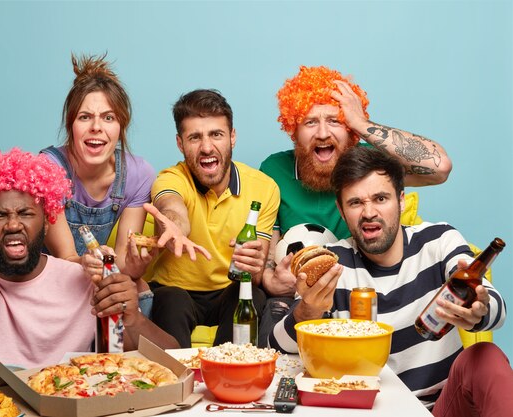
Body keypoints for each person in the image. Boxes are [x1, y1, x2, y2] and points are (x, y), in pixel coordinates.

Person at [0, 149, 178, 417]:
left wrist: (132, 319)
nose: (13, 224)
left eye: (26, 213)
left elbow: (167, 368)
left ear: (48, 219)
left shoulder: (85, 281)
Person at [269, 146, 511, 415]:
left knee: (485, 358)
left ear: (401, 200)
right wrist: (308, 311)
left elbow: (492, 304)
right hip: (367, 410)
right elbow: (278, 347)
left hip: (440, 408)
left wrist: (478, 309)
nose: (369, 212)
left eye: (380, 198)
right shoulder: (332, 263)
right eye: (355, 202)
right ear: (341, 209)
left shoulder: (439, 240)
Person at [258, 66, 453, 344]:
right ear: (294, 130)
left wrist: (361, 123)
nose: (323, 133)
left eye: (335, 121)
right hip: (302, 298)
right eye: (310, 122)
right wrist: (269, 280)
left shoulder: (372, 163)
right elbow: (265, 251)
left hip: (364, 290)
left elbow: (440, 167)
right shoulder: (275, 169)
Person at [143, 89, 280, 348]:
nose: (206, 147)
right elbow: (171, 204)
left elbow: (257, 265)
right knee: (171, 299)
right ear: (180, 143)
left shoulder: (265, 188)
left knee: (251, 293)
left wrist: (253, 262)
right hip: (175, 291)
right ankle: (176, 378)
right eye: (194, 137)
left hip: (228, 291)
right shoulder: (171, 177)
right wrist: (174, 225)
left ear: (232, 137)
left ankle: (230, 369)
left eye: (216, 134)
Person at [41, 54, 156, 317]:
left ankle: (125, 359)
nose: (96, 127)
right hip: (53, 275)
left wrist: (135, 266)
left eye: (108, 117)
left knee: (138, 287)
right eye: (84, 117)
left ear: (121, 125)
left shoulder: (138, 174)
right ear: (71, 124)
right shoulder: (49, 168)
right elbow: (66, 257)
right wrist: (87, 262)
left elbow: (124, 264)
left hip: (96, 273)